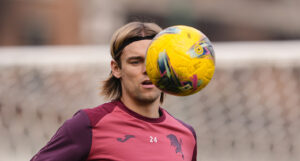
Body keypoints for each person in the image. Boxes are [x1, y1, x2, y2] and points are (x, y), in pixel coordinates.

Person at [31, 21, 197, 161]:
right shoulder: (88, 124)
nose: (147, 69)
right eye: (135, 62)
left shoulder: (186, 134)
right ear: (117, 69)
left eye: (154, 60)